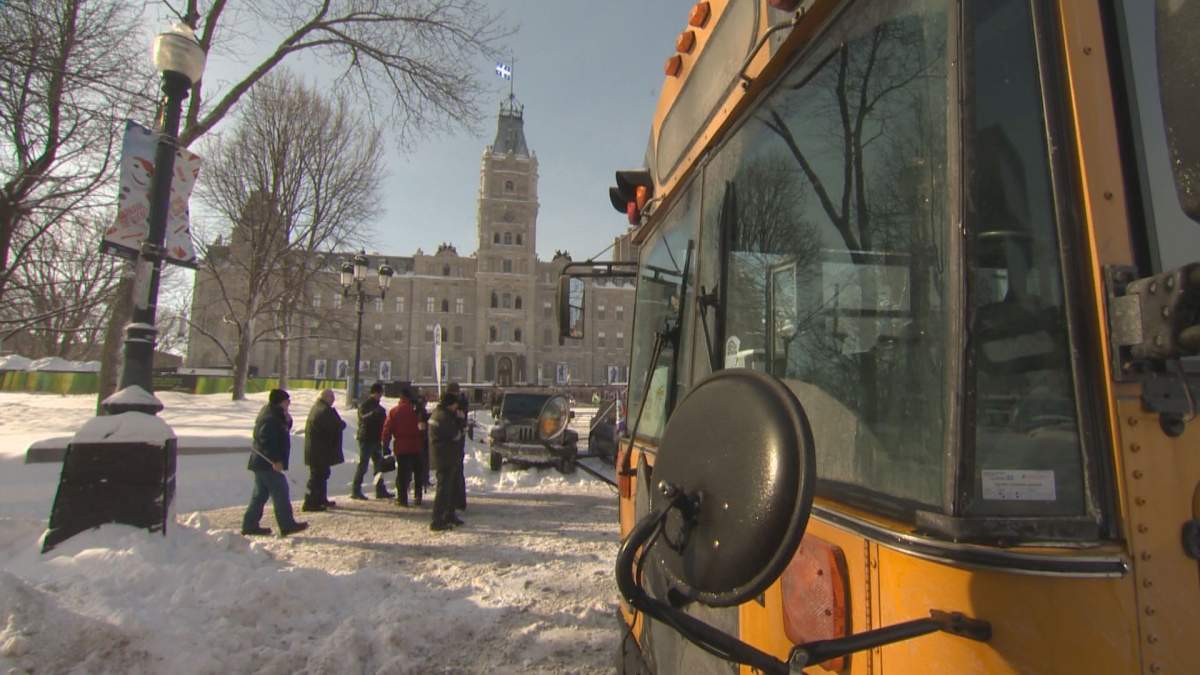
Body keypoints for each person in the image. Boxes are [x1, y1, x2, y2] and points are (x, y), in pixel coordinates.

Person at [241, 389, 308, 537]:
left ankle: (249, 525)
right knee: (281, 492)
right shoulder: (270, 417)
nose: (289, 403)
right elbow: (265, 440)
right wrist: (276, 460)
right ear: (280, 401)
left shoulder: (275, 414)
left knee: (260, 496)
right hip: (267, 463)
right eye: (287, 400)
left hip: (262, 463)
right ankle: (287, 524)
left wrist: (288, 420)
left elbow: (282, 431)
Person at [302, 389, 346, 512]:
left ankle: (321, 499)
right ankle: (311, 502)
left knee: (322, 474)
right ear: (325, 397)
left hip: (318, 449)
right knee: (317, 476)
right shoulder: (324, 410)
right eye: (331, 397)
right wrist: (341, 424)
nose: (333, 400)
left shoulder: (317, 408)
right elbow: (335, 426)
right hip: (319, 450)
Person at [427, 391, 464, 531]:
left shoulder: (437, 414)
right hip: (445, 456)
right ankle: (437, 519)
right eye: (455, 404)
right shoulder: (444, 417)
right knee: (444, 489)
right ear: (450, 404)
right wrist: (460, 421)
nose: (456, 407)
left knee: (449, 488)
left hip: (442, 456)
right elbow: (456, 435)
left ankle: (448, 514)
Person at [381, 388, 423, 507]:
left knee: (402, 473)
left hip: (401, 446)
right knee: (418, 472)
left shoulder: (394, 411)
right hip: (416, 445)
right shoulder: (417, 411)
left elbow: (387, 429)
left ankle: (402, 499)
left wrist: (385, 444)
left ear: (401, 398)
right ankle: (418, 496)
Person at [351, 382, 392, 500]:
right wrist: (373, 414)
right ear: (374, 393)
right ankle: (356, 489)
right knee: (363, 465)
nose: (380, 396)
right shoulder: (365, 405)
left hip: (375, 439)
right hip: (366, 439)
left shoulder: (379, 408)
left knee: (379, 466)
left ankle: (380, 489)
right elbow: (363, 418)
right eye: (379, 393)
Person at [446, 382, 469, 514]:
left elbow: (458, 421)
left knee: (456, 471)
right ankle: (458, 500)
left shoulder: (459, 404)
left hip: (455, 441)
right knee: (456, 471)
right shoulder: (461, 402)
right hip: (456, 440)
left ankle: (457, 501)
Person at [413, 386, 432, 490]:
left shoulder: (416, 411)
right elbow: (421, 427)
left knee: (420, 462)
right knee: (423, 462)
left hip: (418, 440)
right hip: (422, 440)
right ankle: (424, 480)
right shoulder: (421, 413)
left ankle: (423, 480)